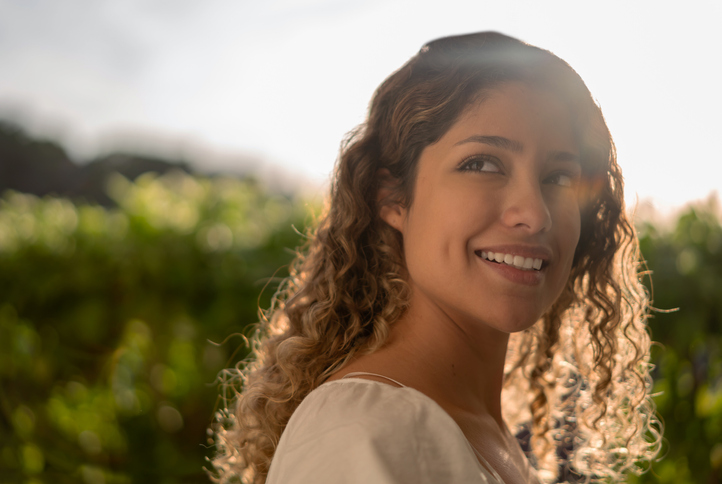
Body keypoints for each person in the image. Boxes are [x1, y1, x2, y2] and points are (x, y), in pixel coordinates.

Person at [209, 32, 661, 484]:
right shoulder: (365, 431)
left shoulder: (482, 431)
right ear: (392, 197)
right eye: (482, 164)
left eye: (559, 175)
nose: (534, 214)